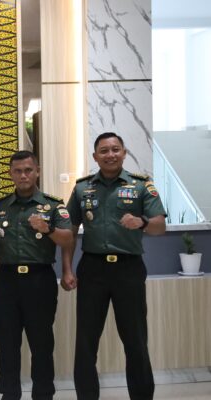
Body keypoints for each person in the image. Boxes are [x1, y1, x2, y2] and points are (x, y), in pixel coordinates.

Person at [67, 132, 166, 400]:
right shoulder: (82, 188)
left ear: (124, 153)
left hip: (128, 270)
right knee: (86, 341)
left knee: (135, 340)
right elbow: (70, 231)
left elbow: (160, 226)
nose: (110, 155)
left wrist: (142, 222)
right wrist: (66, 268)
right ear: (95, 156)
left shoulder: (141, 185)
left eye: (115, 149)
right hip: (92, 269)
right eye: (104, 150)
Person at [0, 150, 75, 400]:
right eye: (18, 171)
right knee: (7, 345)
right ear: (10, 174)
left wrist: (47, 228)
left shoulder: (53, 205)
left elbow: (68, 239)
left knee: (42, 344)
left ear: (37, 171)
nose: (23, 175)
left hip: (39, 281)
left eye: (28, 170)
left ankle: (43, 394)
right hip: (6, 281)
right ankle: (10, 394)